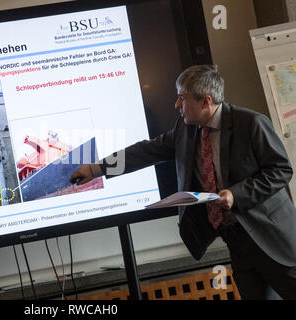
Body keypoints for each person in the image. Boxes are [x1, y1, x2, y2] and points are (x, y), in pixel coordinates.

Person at [70, 65, 296, 300]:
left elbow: (280, 170)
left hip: (274, 240)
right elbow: (147, 151)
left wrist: (236, 195)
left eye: (182, 98)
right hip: (238, 242)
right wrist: (96, 169)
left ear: (205, 101)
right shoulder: (186, 130)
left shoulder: (251, 123)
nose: (177, 105)